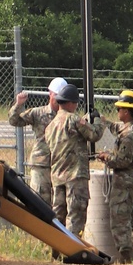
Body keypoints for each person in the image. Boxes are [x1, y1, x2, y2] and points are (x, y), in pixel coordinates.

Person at [44, 83, 103, 241]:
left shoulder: (50, 126)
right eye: (76, 103)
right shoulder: (74, 120)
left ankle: (54, 248)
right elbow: (94, 135)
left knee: (58, 215)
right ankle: (72, 249)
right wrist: (97, 120)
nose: (77, 106)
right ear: (70, 103)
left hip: (57, 176)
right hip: (75, 175)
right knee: (76, 215)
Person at [97, 89, 133, 264]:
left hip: (124, 182)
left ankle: (126, 256)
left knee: (120, 218)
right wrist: (104, 121)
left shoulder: (128, 136)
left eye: (119, 109)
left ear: (126, 111)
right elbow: (116, 128)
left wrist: (106, 157)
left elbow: (122, 161)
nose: (117, 111)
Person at [8, 77, 67, 206]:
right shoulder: (38, 113)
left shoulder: (68, 117)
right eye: (56, 95)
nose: (58, 99)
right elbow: (14, 120)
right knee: (39, 203)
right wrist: (18, 104)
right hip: (41, 165)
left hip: (60, 165)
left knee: (60, 204)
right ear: (50, 94)